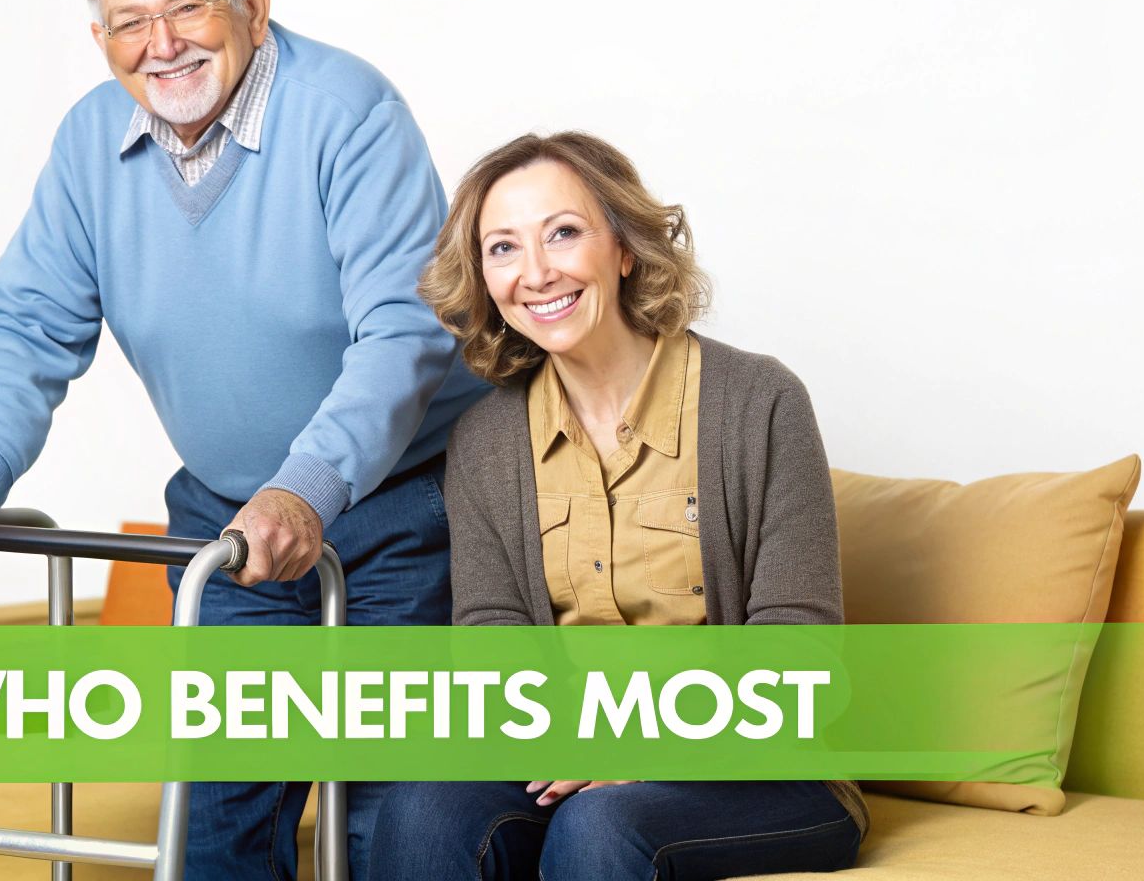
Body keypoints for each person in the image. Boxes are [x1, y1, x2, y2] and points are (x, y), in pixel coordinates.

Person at [0, 0, 485, 879]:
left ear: (249, 1)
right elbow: (29, 324)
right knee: (215, 823)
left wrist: (306, 487)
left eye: (185, 9)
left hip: (391, 510)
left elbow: (404, 329)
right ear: (101, 40)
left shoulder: (345, 110)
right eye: (129, 23)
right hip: (224, 521)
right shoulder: (91, 144)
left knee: (389, 818)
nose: (160, 46)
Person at [370, 132, 868, 879]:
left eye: (562, 234)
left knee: (602, 824)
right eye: (502, 249)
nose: (535, 274)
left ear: (625, 249)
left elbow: (798, 652)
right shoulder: (485, 438)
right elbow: (491, 636)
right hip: (565, 757)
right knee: (420, 807)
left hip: (758, 771)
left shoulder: (760, 402)